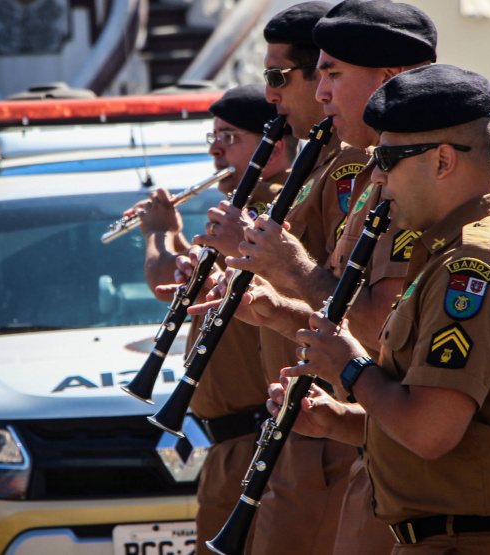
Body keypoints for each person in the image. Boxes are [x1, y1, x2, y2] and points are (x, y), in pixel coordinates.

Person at [269, 64, 490, 554]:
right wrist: (341, 421)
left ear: (443, 160)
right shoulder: (446, 252)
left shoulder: (475, 265)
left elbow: (431, 431)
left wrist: (349, 365)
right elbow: (458, 420)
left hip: (479, 541)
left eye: (388, 158)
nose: (377, 176)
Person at [221, 2, 438, 552]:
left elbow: (376, 328)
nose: (320, 92)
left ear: (389, 80)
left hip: (410, 471)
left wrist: (288, 269)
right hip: (365, 440)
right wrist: (269, 307)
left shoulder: (408, 187)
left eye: (332, 74)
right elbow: (343, 313)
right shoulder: (373, 174)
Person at [182, 4, 372, 554]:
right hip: (297, 425)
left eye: (277, 77)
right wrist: (254, 300)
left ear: (319, 80)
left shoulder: (349, 170)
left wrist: (276, 263)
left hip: (330, 428)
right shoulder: (314, 166)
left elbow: (363, 309)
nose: (269, 94)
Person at [125, 83, 295, 555]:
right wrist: (178, 240)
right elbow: (194, 284)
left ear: (273, 146)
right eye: (212, 137)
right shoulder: (244, 210)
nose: (216, 149)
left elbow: (165, 282)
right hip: (233, 445)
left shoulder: (266, 210)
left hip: (254, 439)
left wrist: (159, 234)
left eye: (229, 137)